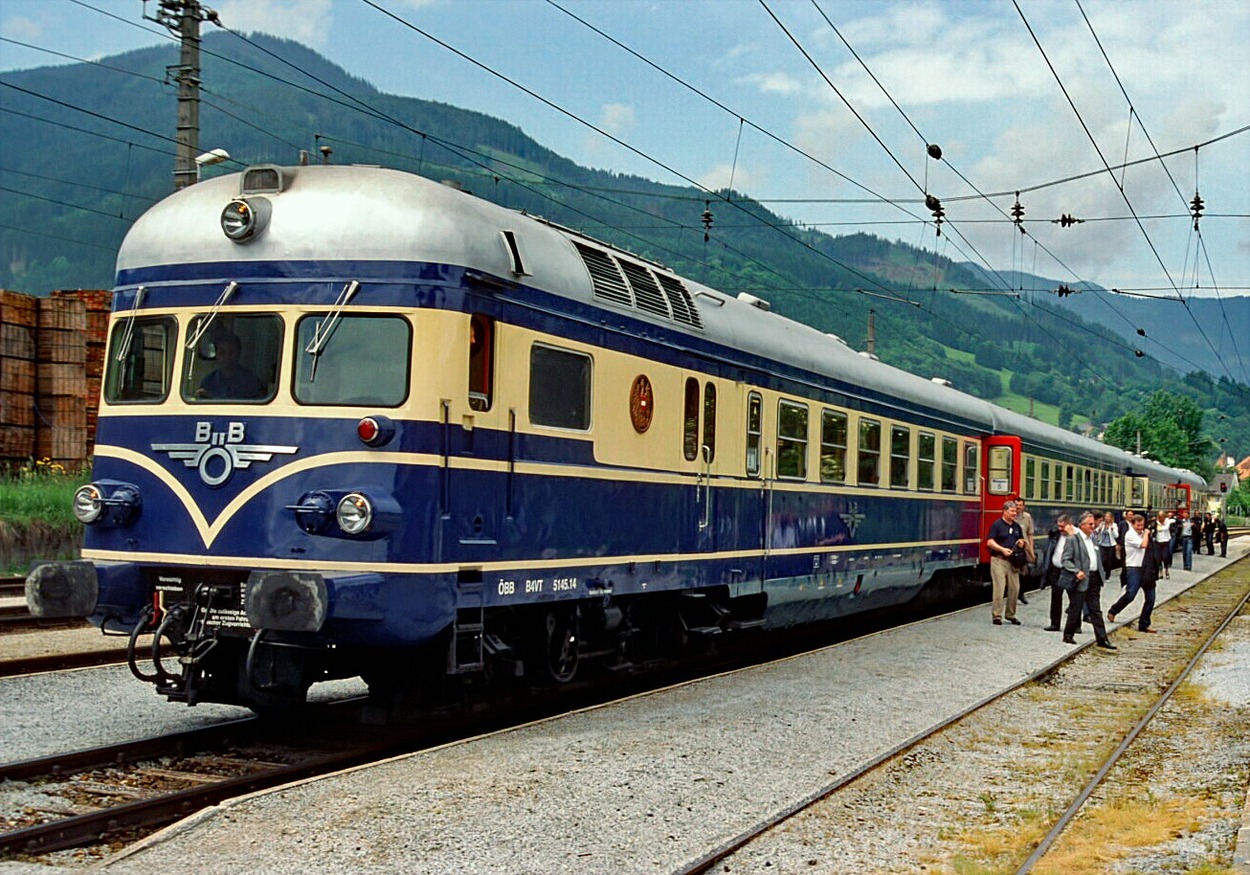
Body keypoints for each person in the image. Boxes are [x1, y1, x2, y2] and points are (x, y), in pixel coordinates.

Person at [1058, 511, 1116, 650]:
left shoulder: (1094, 539)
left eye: (1093, 524)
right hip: (1081, 578)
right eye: (1090, 524)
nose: (1093, 526)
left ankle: (1102, 639)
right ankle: (1068, 634)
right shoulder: (1073, 540)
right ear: (1082, 525)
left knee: (1095, 610)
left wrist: (1102, 574)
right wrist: (1076, 571)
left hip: (1094, 578)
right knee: (1075, 608)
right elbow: (1065, 560)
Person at [1107, 513, 1156, 633]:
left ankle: (1144, 624)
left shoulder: (1142, 534)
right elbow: (1144, 545)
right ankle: (1113, 610)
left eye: (1142, 525)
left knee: (1151, 598)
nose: (1140, 527)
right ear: (1132, 524)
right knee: (1131, 594)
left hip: (1146, 569)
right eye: (1138, 525)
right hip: (1133, 568)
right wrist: (1146, 534)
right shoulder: (1129, 535)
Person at [986, 499, 1024, 626]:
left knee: (1015, 588)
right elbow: (990, 542)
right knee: (999, 588)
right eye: (1012, 511)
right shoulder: (997, 525)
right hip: (999, 560)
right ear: (1004, 511)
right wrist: (1002, 549)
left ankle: (1010, 614)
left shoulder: (1017, 526)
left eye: (1015, 511)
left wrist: (1021, 543)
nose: (1015, 513)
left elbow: (1021, 539)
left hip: (1013, 561)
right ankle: (997, 615)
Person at [198, 333, 265, 399]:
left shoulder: (252, 382)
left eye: (231, 352)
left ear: (238, 353)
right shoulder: (208, 382)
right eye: (222, 352)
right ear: (217, 355)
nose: (227, 357)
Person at [1038, 514, 1071, 633]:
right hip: (1056, 570)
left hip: (1070, 571)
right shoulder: (1056, 535)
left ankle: (1075, 625)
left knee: (1073, 598)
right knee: (1056, 597)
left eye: (1062, 526)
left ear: (1069, 525)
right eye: (1059, 526)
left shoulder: (1075, 537)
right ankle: (1055, 623)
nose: (1060, 529)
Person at [1013, 496, 1036, 604]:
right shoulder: (1010, 516)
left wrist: (1031, 549)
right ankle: (1014, 594)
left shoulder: (1027, 517)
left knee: (1025, 573)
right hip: (1012, 548)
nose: (1018, 508)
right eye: (1016, 505)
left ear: (1023, 507)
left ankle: (1021, 593)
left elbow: (1030, 534)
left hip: (1024, 548)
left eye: (1020, 505)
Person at [1152, 509, 1174, 579]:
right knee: (1158, 558)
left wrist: (1161, 527)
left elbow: (1167, 527)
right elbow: (1154, 528)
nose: (1161, 518)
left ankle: (1166, 569)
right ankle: (1160, 571)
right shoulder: (1156, 522)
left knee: (1165, 556)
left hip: (1165, 541)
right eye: (1160, 516)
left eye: (1162, 516)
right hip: (1158, 541)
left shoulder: (1168, 521)